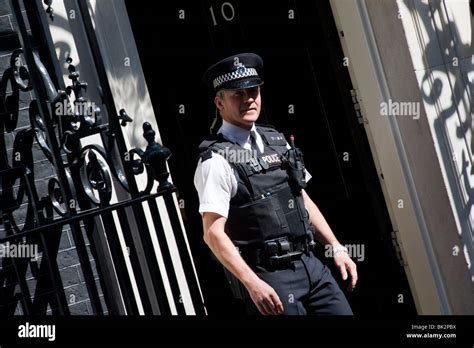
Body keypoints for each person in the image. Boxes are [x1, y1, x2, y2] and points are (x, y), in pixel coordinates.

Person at [194, 53, 357, 315]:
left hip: (311, 265)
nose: (248, 99)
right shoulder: (216, 161)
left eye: (253, 91)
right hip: (271, 278)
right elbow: (213, 233)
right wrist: (252, 283)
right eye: (237, 94)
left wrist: (335, 247)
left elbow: (302, 199)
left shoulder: (276, 140)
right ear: (219, 102)